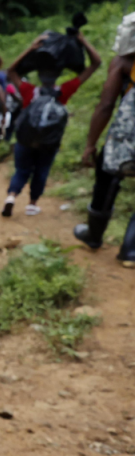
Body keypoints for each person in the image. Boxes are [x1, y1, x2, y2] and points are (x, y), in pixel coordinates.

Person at [3, 32, 102, 217]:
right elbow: (96, 64)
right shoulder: (64, 91)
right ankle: (32, 204)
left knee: (22, 169)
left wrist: (30, 49)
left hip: (25, 139)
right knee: (42, 169)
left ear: (39, 75)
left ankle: (11, 196)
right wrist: (82, 41)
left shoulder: (29, 91)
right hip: (49, 141)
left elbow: (11, 71)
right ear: (58, 75)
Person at [77, 12, 135, 266]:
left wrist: (91, 143)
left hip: (125, 140)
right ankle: (131, 251)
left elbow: (106, 104)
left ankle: (94, 235)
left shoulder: (123, 62)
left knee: (107, 175)